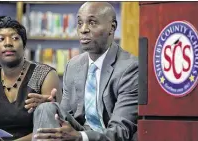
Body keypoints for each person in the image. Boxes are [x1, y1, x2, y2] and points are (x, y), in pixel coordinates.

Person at [33, 2, 138, 141]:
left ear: (112, 27)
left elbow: (121, 131)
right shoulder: (73, 65)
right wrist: (55, 106)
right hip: (80, 131)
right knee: (46, 109)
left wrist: (80, 137)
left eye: (92, 23)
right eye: (80, 23)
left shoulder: (130, 67)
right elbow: (67, 115)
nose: (83, 29)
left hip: (106, 136)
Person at [0, 16, 62, 140]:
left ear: (24, 44)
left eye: (14, 38)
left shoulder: (44, 74)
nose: (8, 43)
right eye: (1, 39)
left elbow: (52, 129)